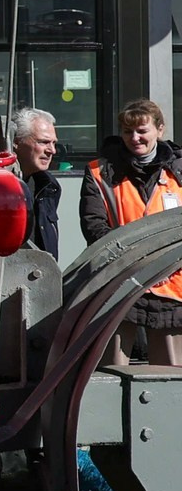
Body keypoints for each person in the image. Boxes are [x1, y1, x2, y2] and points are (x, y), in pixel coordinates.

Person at [82, 98, 182, 365]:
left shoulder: (179, 171)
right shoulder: (99, 172)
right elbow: (94, 226)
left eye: (142, 131)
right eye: (128, 131)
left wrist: (164, 265)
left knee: (172, 378)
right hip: (118, 284)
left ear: (159, 130)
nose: (135, 138)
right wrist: (134, 263)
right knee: (112, 373)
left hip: (172, 287)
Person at [7, 106, 61, 259]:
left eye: (54, 143)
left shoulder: (49, 186)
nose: (52, 150)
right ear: (17, 142)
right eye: (44, 142)